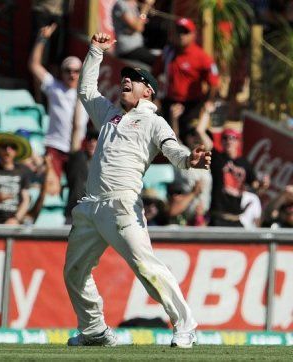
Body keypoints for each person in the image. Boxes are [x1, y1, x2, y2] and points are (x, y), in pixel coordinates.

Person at [64, 32, 211, 348]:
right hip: (90, 207)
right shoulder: (108, 114)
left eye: (134, 79)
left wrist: (191, 160)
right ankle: (94, 330)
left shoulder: (153, 121)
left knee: (147, 268)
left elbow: (174, 151)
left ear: (149, 92)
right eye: (125, 78)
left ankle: (186, 325)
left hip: (122, 206)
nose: (126, 82)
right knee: (74, 273)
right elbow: (86, 89)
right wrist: (95, 51)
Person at [29, 23, 89, 184]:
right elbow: (34, 65)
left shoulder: (88, 94)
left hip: (77, 148)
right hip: (55, 146)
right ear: (61, 73)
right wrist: (41, 40)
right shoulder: (55, 87)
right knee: (52, 188)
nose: (72, 74)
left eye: (76, 71)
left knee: (78, 192)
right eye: (68, 70)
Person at [153, 17, 220, 142]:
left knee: (190, 140)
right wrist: (154, 98)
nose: (181, 35)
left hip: (192, 106)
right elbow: (154, 74)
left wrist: (208, 102)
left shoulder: (201, 57)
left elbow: (214, 82)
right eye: (178, 31)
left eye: (185, 32)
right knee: (166, 139)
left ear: (193, 34)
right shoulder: (168, 52)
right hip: (169, 103)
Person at [0, 132, 32, 224]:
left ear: (16, 152)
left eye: (12, 147)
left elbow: (26, 200)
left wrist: (16, 219)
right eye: (4, 146)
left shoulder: (23, 171)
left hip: (14, 225)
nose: (8, 150)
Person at [209, 127, 256, 227]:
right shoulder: (217, 158)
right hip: (218, 218)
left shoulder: (245, 163)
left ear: (238, 142)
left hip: (236, 219)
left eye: (233, 138)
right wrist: (206, 111)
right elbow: (200, 133)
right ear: (221, 141)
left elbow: (255, 184)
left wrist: (263, 184)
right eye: (225, 138)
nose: (229, 141)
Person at [111, 0, 157, 66]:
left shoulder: (134, 4)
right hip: (127, 48)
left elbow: (141, 26)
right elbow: (138, 27)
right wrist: (145, 9)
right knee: (156, 62)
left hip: (137, 46)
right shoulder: (121, 4)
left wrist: (147, 8)